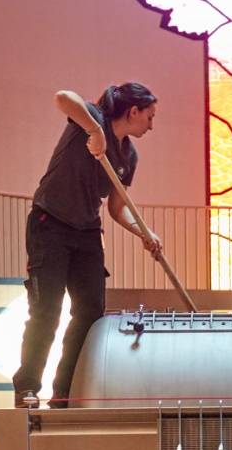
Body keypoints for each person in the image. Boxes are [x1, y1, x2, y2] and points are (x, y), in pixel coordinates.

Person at [11, 83, 164, 406]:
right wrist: (94, 131)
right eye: (149, 117)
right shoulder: (91, 117)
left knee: (91, 311)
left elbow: (117, 209)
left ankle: (64, 389)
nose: (151, 125)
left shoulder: (128, 156)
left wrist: (146, 233)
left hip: (87, 233)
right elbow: (62, 98)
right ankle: (27, 386)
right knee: (46, 309)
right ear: (133, 111)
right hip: (49, 224)